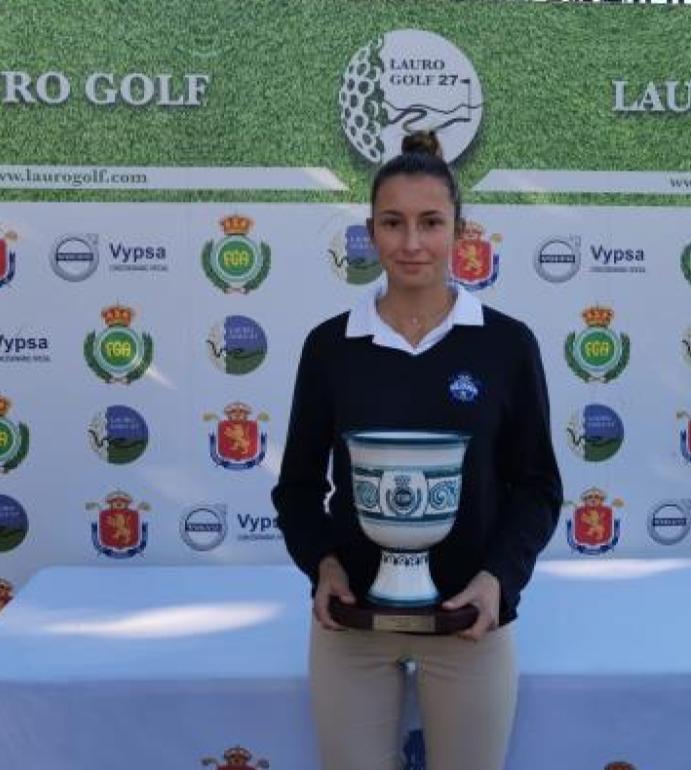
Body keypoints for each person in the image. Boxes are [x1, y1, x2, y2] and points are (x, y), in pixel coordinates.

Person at [271, 131, 562, 770]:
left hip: (471, 624)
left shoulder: (506, 346)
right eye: (393, 223)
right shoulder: (331, 347)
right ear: (370, 231)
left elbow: (537, 486)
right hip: (353, 630)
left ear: (462, 231)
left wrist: (497, 581)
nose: (411, 243)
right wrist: (322, 566)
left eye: (431, 222)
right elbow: (296, 487)